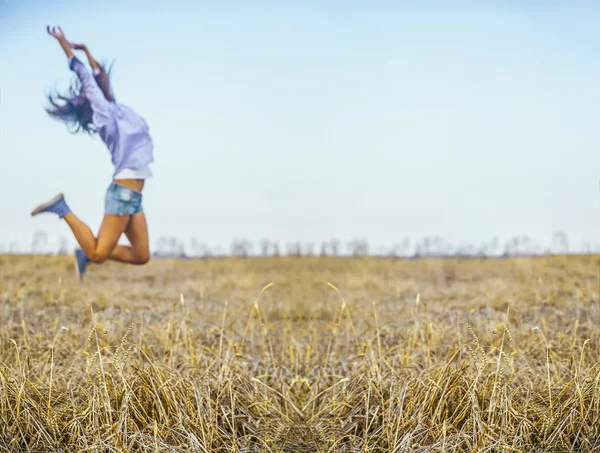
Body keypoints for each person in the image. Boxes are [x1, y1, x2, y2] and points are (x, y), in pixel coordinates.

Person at [32, 26, 154, 280]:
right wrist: (64, 44)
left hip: (132, 196)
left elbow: (100, 77)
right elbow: (87, 76)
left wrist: (88, 50)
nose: (102, 87)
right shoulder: (104, 115)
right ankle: (62, 208)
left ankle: (85, 254)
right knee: (99, 253)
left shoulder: (115, 107)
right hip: (123, 192)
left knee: (142, 255)